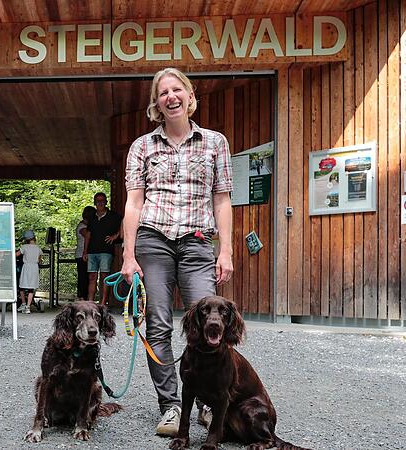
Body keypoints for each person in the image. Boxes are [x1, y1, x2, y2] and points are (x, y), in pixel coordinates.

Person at [119, 68, 234, 437]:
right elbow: (134, 204)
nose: (171, 96)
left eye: (176, 89)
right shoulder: (142, 146)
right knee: (158, 323)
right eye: (163, 92)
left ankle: (203, 402)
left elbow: (222, 199)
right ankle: (170, 404)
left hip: (198, 242)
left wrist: (226, 250)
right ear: (157, 103)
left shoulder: (215, 142)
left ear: (189, 94)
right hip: (153, 240)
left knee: (208, 321)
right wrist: (128, 255)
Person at [83, 192, 122, 305]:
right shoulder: (92, 217)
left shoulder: (113, 216)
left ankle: (103, 303)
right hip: (92, 251)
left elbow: (124, 223)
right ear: (95, 203)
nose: (100, 203)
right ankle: (90, 303)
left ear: (106, 202)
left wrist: (115, 236)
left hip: (106, 251)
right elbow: (88, 235)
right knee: (92, 277)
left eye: (102, 200)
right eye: (98, 201)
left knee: (105, 277)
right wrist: (85, 251)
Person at [16, 230, 41, 314]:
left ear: (26, 239)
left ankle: (23, 303)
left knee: (21, 286)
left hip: (26, 267)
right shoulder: (38, 248)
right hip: (34, 268)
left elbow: (16, 255)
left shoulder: (24, 247)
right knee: (31, 288)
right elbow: (39, 260)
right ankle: (28, 307)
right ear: (34, 238)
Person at [75, 206, 96, 301]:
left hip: (86, 254)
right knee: (83, 277)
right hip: (81, 254)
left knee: (88, 277)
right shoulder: (82, 226)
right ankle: (82, 296)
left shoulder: (85, 225)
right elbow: (88, 235)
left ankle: (86, 297)